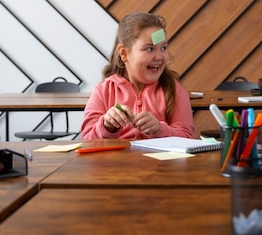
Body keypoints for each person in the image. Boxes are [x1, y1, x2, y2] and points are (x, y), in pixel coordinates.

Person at [81, 12, 195, 140]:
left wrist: (160, 129)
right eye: (150, 49)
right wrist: (106, 126)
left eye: (163, 48)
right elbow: (87, 139)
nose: (159, 56)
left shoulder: (174, 90)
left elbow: (187, 137)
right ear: (124, 54)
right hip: (116, 160)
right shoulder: (103, 91)